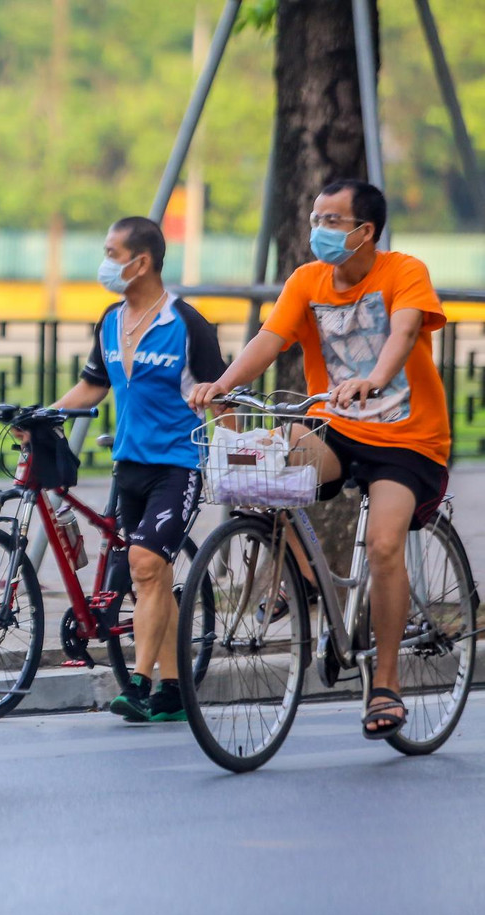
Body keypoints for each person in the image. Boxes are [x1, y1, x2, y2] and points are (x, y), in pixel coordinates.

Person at [190, 179, 450, 739]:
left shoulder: (404, 271)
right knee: (264, 468)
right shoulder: (307, 280)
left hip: (407, 438)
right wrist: (223, 384)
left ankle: (385, 684)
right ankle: (304, 579)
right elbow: (269, 339)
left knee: (384, 544)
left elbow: (405, 330)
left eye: (332, 221)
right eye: (315, 219)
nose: (319, 230)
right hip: (337, 426)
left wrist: (374, 378)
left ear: (366, 231)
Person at [52, 216, 226, 723]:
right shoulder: (111, 319)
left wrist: (236, 455)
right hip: (127, 466)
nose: (104, 263)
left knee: (145, 566)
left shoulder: (187, 324)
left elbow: (222, 397)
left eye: (112, 254)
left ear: (142, 262)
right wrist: (44, 416)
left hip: (178, 466)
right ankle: (173, 690)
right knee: (154, 577)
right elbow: (93, 385)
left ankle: (140, 681)